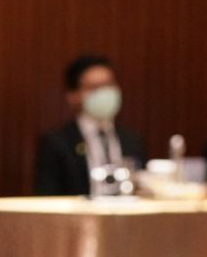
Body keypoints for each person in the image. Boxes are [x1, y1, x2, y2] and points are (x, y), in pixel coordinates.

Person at [33, 54, 146, 196]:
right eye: (94, 87)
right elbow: (47, 197)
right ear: (73, 96)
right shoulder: (56, 143)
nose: (104, 93)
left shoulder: (132, 140)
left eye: (109, 84)